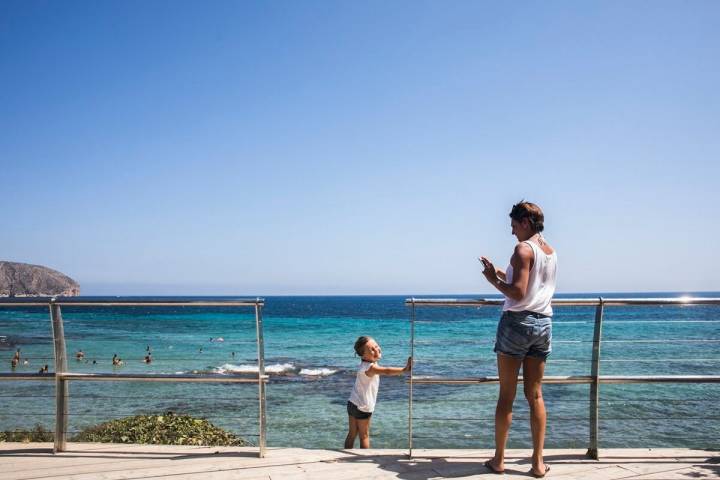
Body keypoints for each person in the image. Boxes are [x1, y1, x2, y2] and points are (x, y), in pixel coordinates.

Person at [479, 201, 557, 478]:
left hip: (517, 324)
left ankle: (499, 460)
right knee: (535, 395)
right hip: (543, 324)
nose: (512, 232)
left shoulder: (522, 249)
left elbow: (518, 293)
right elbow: (531, 283)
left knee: (506, 397)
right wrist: (501, 270)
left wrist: (492, 280)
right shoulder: (549, 251)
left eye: (513, 225)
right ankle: (537, 464)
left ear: (525, 221)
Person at [345, 336, 412, 449]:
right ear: (363, 355)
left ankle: (346, 456)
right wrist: (405, 369)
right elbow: (387, 371)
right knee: (364, 436)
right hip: (363, 407)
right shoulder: (370, 368)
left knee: (352, 434)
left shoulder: (364, 365)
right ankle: (362, 459)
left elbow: (384, 370)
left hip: (352, 403)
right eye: (372, 349)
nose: (376, 350)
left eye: (376, 346)